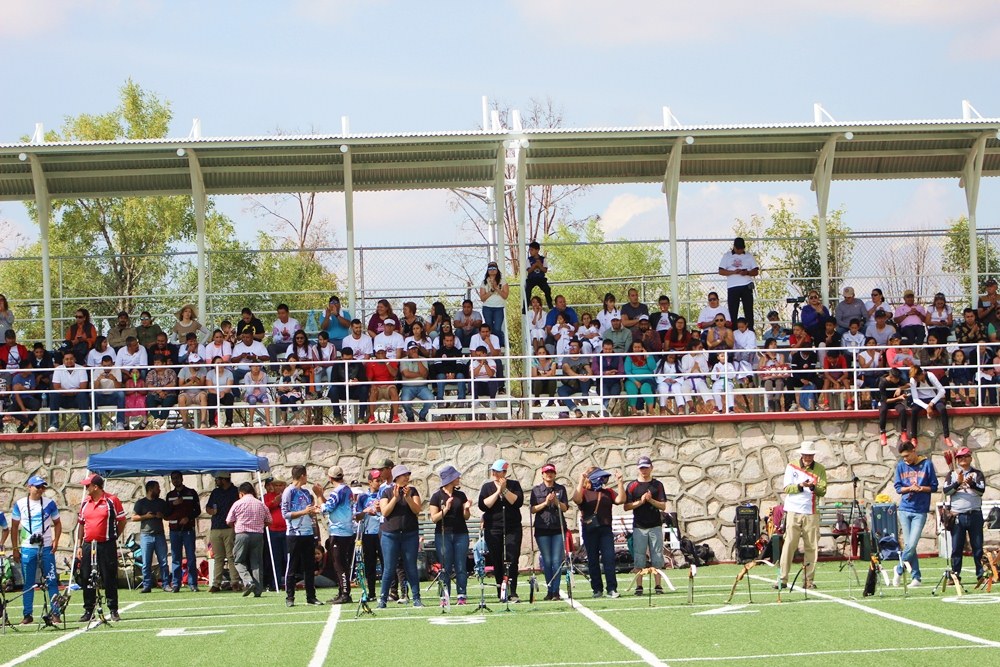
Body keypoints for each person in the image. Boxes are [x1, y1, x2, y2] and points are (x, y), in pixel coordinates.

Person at [775, 441, 827, 590]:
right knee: (789, 545)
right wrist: (800, 486)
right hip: (793, 510)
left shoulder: (820, 469)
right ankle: (782, 579)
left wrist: (813, 487)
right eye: (806, 455)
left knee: (812, 547)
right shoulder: (791, 466)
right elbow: (787, 488)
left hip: (811, 512)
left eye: (810, 455)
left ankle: (808, 581)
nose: (808, 458)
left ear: (813, 455)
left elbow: (823, 490)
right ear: (802, 454)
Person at [10, 475, 62, 625]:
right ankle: (27, 614)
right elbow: (14, 527)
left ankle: (55, 613)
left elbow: (58, 523)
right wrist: (15, 548)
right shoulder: (20, 504)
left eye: (43, 487)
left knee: (52, 580)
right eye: (38, 487)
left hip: (46, 547)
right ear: (29, 487)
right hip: (27, 548)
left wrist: (56, 541)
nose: (41, 490)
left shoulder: (49, 503)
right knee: (28, 583)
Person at [76, 473, 126, 623]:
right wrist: (79, 545)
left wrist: (114, 536)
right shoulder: (85, 503)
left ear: (96, 487)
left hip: (106, 544)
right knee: (86, 576)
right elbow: (81, 524)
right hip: (88, 544)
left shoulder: (112, 500)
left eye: (88, 485)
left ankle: (113, 609)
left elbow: (122, 521)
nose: (86, 488)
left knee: (109, 576)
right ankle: (88, 610)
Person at [478, 459, 524, 602]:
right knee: (497, 559)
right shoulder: (487, 487)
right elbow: (483, 505)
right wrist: (498, 491)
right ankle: (501, 591)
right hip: (493, 527)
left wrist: (504, 489)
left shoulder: (514, 485)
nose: (495, 474)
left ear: (504, 472)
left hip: (512, 527)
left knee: (512, 558)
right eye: (493, 471)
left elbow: (517, 502)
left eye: (498, 471)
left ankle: (512, 591)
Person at [574, 467, 624, 598]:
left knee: (609, 558)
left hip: (605, 529)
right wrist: (581, 480)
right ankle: (597, 589)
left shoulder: (608, 492)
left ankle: (612, 588)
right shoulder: (584, 492)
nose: (603, 480)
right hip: (590, 529)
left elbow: (620, 500)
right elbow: (576, 499)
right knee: (593, 559)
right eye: (601, 477)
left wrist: (620, 483)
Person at [378, 464, 424, 608]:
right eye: (404, 475)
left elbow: (417, 510)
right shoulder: (387, 492)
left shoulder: (412, 491)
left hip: (409, 534)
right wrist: (395, 498)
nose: (406, 478)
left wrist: (408, 498)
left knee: (411, 567)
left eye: (407, 475)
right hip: (390, 535)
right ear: (397, 477)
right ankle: (382, 600)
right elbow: (385, 512)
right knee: (389, 568)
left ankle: (416, 598)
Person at [893, 441, 938, 587]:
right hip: (904, 510)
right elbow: (898, 488)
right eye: (903, 457)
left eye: (907, 455)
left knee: (912, 545)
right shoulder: (900, 466)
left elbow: (934, 486)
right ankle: (916, 577)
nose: (905, 459)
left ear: (914, 451)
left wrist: (921, 488)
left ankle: (899, 569)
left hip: (920, 511)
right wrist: (909, 489)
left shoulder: (927, 464)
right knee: (909, 545)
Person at [624, 456, 667, 595]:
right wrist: (641, 501)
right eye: (642, 468)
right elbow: (626, 506)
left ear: (651, 468)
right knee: (639, 557)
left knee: (657, 557)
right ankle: (639, 586)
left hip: (655, 525)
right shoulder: (632, 486)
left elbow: (663, 506)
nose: (644, 470)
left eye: (646, 467)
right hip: (639, 526)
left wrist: (651, 500)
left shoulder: (657, 485)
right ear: (638, 469)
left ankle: (658, 585)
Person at [282, 464, 324, 607]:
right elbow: (285, 514)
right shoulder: (288, 491)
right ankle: (290, 597)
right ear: (302, 476)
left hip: (308, 533)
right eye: (306, 475)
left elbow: (308, 512)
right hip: (294, 534)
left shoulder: (306, 493)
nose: (307, 478)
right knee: (292, 566)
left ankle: (311, 597)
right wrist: (304, 512)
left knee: (309, 566)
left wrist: (313, 511)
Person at [429, 465, 472, 605]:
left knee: (461, 566)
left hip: (461, 534)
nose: (459, 478)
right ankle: (444, 596)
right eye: (456, 476)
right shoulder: (436, 497)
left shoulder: (461, 495)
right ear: (449, 479)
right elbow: (434, 518)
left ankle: (462, 595)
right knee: (445, 567)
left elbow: (466, 517)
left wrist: (466, 509)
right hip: (443, 535)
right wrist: (446, 509)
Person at [943, 447, 986, 585]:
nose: (963, 459)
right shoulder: (952, 474)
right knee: (957, 547)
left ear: (970, 458)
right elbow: (946, 491)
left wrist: (971, 483)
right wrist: (958, 482)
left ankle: (981, 574)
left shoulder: (977, 473)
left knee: (977, 546)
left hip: (974, 514)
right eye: (960, 457)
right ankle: (955, 575)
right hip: (957, 516)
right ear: (957, 460)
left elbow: (981, 491)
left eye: (965, 456)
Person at [315, 466, 355, 604]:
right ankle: (343, 591)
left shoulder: (336, 492)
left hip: (339, 532)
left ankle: (345, 593)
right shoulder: (347, 489)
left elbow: (326, 509)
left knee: (339, 564)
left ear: (330, 478)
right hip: (347, 530)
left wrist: (319, 496)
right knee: (342, 563)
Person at [530, 463, 570, 601]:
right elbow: (533, 509)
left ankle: (556, 591)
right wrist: (546, 503)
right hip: (542, 529)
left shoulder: (561, 489)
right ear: (542, 475)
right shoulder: (536, 490)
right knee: (547, 561)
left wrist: (556, 501)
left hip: (558, 528)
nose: (549, 474)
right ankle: (549, 589)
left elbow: (565, 508)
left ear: (555, 474)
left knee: (556, 561)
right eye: (546, 472)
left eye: (551, 472)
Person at [226, 481, 271, 599]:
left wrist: (236, 526)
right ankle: (258, 590)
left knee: (238, 560)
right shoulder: (260, 504)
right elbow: (269, 520)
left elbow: (229, 520)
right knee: (256, 563)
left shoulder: (237, 503)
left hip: (242, 534)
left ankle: (248, 581)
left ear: (241, 493)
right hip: (258, 535)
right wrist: (259, 526)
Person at [131, 480, 170, 593]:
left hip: (159, 535)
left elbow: (168, 516)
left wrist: (161, 515)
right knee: (146, 562)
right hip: (146, 535)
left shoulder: (161, 503)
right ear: (150, 489)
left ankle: (166, 584)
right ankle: (147, 585)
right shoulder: (141, 503)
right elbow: (133, 517)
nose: (159, 490)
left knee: (163, 561)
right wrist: (146, 516)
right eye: (157, 488)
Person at [166, 471, 201, 592]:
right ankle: (176, 584)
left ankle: (193, 584)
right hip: (174, 530)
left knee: (191, 557)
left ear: (182, 478)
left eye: (177, 478)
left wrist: (188, 518)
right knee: (176, 558)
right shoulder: (170, 495)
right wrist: (173, 504)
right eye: (173, 478)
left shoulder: (191, 492)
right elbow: (166, 513)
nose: (175, 480)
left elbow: (197, 510)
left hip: (188, 530)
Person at [206, 472, 240, 593]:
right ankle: (216, 583)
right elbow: (208, 507)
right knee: (218, 557)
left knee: (231, 556)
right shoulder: (215, 492)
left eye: (217, 479)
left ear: (224, 479)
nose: (216, 481)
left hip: (230, 528)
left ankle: (235, 582)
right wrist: (211, 511)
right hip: (216, 528)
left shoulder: (235, 491)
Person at [353, 471, 383, 602]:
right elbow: (357, 516)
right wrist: (365, 511)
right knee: (370, 564)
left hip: (383, 533)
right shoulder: (363, 497)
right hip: (368, 534)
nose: (380, 483)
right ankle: (371, 592)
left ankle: (389, 592)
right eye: (377, 480)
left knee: (386, 563)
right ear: (370, 482)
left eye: (381, 480)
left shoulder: (384, 493)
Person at [718, 237, 759, 328]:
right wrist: (733, 272)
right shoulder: (727, 256)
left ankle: (750, 330)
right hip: (733, 286)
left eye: (742, 249)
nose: (740, 251)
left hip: (746, 285)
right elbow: (721, 271)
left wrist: (747, 272)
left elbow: (756, 271)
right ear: (734, 247)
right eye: (738, 249)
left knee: (748, 310)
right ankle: (733, 332)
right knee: (732, 311)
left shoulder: (749, 256)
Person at [909, 365, 952, 449]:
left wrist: (931, 403)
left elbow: (942, 390)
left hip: (933, 398)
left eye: (917, 377)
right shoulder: (913, 380)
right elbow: (915, 399)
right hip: (921, 400)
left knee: (942, 409)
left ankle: (946, 436)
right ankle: (913, 437)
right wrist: (927, 407)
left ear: (921, 374)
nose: (915, 380)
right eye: (914, 378)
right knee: (914, 411)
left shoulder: (930, 375)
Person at [49, 350, 91, 432]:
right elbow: (56, 387)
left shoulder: (81, 369)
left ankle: (85, 424)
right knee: (54, 394)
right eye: (67, 359)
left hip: (77, 398)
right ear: (63, 360)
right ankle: (54, 425)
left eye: (71, 359)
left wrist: (68, 391)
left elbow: (83, 387)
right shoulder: (58, 369)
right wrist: (71, 391)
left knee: (83, 394)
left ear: (75, 359)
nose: (69, 361)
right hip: (63, 398)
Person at [329, 346, 368, 423]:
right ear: (341, 357)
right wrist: (344, 383)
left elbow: (364, 380)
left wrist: (358, 381)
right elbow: (333, 380)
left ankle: (361, 417)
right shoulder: (337, 365)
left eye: (349, 359)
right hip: (342, 391)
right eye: (345, 359)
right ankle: (337, 417)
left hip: (355, 390)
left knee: (364, 389)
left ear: (352, 357)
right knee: (333, 390)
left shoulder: (358, 364)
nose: (347, 361)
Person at [558, 339, 593, 418]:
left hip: (582, 384)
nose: (572, 348)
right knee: (561, 390)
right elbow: (568, 370)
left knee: (584, 373)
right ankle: (575, 409)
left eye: (574, 346)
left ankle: (584, 397)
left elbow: (589, 370)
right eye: (570, 346)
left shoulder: (583, 358)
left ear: (579, 349)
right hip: (571, 385)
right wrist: (579, 376)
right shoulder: (566, 359)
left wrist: (586, 376)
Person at [399, 341, 434, 422]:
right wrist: (419, 374)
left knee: (431, 399)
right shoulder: (403, 360)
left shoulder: (423, 359)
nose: (414, 351)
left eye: (415, 349)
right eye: (412, 349)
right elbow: (406, 374)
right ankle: (410, 416)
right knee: (405, 401)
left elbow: (425, 374)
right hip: (408, 387)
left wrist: (418, 360)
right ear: (408, 351)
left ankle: (422, 416)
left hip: (422, 387)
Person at [365, 346, 400, 424]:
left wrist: (386, 362)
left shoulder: (391, 361)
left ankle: (395, 417)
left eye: (382, 353)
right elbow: (369, 379)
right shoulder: (371, 364)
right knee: (373, 391)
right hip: (377, 387)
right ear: (375, 354)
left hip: (389, 386)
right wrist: (373, 386)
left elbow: (394, 374)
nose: (381, 354)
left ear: (386, 353)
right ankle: (372, 417)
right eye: (379, 353)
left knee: (393, 390)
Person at [432, 332, 468, 406]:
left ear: (454, 341)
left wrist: (454, 373)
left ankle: (461, 400)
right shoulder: (439, 352)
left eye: (451, 340)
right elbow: (438, 366)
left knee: (460, 375)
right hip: (443, 375)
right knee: (441, 376)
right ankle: (440, 401)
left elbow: (459, 365)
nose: (449, 342)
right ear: (444, 341)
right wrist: (447, 374)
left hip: (455, 376)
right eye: (447, 340)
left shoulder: (457, 352)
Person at [479, 261, 509, 345]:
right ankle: (489, 345)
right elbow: (482, 298)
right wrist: (491, 291)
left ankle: (499, 345)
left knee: (497, 328)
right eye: (490, 268)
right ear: (487, 270)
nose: (492, 270)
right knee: (489, 327)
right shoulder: (484, 282)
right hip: (487, 307)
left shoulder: (503, 281)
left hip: (499, 307)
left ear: (497, 270)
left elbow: (505, 296)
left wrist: (497, 288)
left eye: (494, 268)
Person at [877, 368, 910, 446]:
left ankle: (904, 432)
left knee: (902, 410)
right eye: (896, 379)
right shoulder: (882, 382)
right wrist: (899, 398)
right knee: (883, 410)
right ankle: (883, 433)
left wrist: (900, 388)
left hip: (895, 401)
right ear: (891, 377)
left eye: (899, 378)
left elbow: (909, 384)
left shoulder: (898, 379)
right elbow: (885, 400)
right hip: (884, 401)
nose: (898, 380)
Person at [624, 341, 657, 416]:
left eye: (639, 347)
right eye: (635, 347)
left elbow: (653, 367)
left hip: (647, 379)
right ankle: (634, 410)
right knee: (631, 388)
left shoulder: (648, 356)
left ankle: (651, 410)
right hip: (632, 380)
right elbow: (627, 371)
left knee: (645, 388)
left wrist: (647, 356)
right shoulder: (629, 357)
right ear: (632, 348)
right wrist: (635, 382)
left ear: (642, 348)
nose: (637, 349)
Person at [525, 240, 553, 309]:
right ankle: (525, 307)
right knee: (527, 290)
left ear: (537, 250)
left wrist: (540, 265)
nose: (530, 251)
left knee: (547, 289)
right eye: (529, 250)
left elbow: (545, 270)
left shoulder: (543, 259)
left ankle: (550, 305)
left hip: (541, 279)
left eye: (532, 250)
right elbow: (529, 270)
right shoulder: (529, 260)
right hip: (531, 279)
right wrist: (535, 265)